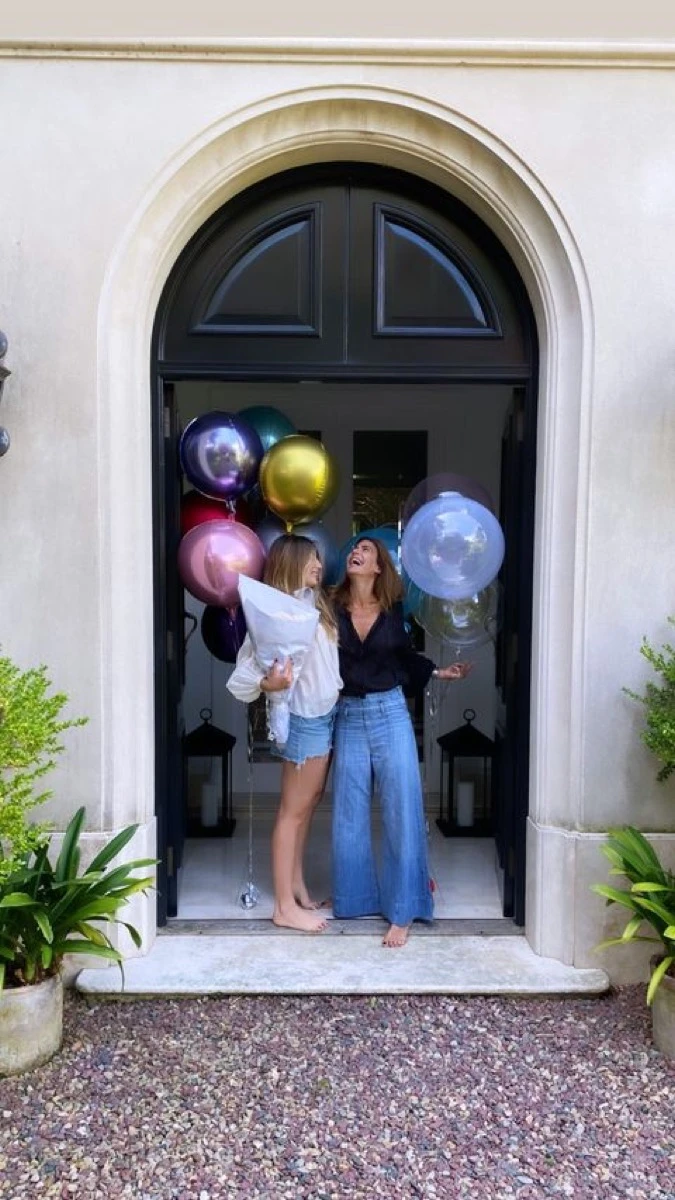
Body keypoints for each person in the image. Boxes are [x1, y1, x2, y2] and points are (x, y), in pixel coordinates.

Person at [331, 537, 470, 948]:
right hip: (348, 715)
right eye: (354, 548)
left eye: (367, 549)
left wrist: (439, 672)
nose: (357, 552)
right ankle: (354, 898)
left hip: (390, 712)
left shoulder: (392, 611)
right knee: (348, 813)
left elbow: (404, 659)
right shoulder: (331, 609)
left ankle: (404, 908)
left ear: (378, 567)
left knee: (401, 810)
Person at [227, 535, 342, 933]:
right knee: (292, 813)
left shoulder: (315, 605)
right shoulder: (273, 613)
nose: (319, 564)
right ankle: (283, 908)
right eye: (311, 558)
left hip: (325, 716)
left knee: (307, 806)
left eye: (318, 558)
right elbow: (242, 676)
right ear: (291, 562)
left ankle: (297, 888)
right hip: (304, 720)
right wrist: (267, 684)